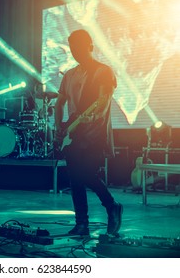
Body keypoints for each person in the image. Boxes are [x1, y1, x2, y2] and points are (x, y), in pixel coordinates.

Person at [54, 29, 122, 236]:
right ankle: (82, 223)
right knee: (75, 178)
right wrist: (59, 127)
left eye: (80, 48)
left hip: (94, 133)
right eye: (73, 48)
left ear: (90, 46)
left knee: (85, 173)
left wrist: (92, 116)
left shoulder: (103, 71)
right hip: (74, 133)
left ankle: (111, 205)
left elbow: (103, 101)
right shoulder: (70, 74)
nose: (76, 52)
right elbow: (59, 103)